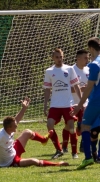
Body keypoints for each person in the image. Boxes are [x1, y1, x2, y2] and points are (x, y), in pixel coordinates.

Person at [0, 97, 69, 168]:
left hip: (14, 149)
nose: (16, 126)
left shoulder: (9, 128)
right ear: (9, 128)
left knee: (27, 132)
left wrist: (24, 108)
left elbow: (17, 119)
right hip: (11, 161)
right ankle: (58, 164)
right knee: (34, 161)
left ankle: (43, 139)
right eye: (14, 126)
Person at [43, 48, 82, 159]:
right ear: (53, 58)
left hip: (67, 104)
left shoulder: (69, 69)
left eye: (61, 57)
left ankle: (74, 152)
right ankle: (58, 150)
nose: (59, 59)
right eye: (57, 57)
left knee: (70, 126)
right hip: (55, 104)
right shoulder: (49, 71)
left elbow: (76, 86)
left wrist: (81, 101)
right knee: (49, 124)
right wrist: (45, 105)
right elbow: (47, 89)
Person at [71, 37, 100, 169]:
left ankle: (88, 158)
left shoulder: (94, 65)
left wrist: (78, 106)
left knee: (85, 126)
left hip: (96, 100)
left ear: (91, 49)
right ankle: (96, 155)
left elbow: (89, 87)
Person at [62, 49, 90, 153]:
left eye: (88, 57)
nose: (87, 60)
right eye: (85, 58)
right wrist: (80, 89)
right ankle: (64, 145)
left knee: (86, 124)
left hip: (85, 103)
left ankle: (83, 145)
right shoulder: (70, 70)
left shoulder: (88, 70)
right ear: (78, 59)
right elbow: (65, 88)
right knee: (69, 126)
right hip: (71, 103)